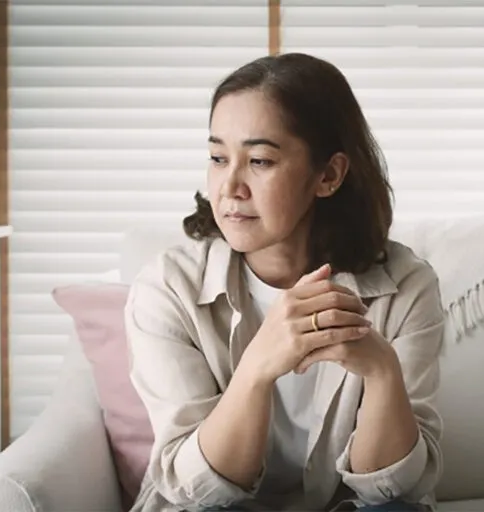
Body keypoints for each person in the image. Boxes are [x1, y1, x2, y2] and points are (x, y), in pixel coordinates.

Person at [125, 53, 445, 512]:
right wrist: (258, 366)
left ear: (328, 175)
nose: (229, 186)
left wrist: (381, 370)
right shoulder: (167, 288)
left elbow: (394, 489)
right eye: (218, 157)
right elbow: (196, 489)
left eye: (259, 160)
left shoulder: (406, 287)